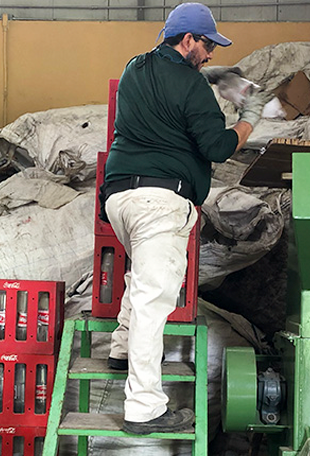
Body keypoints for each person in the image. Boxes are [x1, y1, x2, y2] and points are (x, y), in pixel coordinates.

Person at [99, 2, 272, 435]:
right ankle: (144, 408)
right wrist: (249, 119)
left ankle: (120, 349)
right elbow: (216, 147)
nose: (211, 55)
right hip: (162, 200)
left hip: (120, 198)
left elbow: (174, 75)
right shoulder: (193, 88)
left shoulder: (135, 68)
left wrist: (212, 76)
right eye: (208, 45)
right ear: (189, 39)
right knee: (154, 302)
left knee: (141, 276)